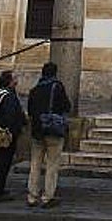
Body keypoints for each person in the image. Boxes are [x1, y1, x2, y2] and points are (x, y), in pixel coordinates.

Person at [26, 61, 72, 208]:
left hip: (37, 131)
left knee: (35, 163)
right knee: (52, 164)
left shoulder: (34, 90)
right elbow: (67, 106)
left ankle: (32, 195)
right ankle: (47, 196)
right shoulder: (57, 87)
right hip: (53, 130)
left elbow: (30, 111)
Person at [0, 70, 28, 203]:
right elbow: (11, 116)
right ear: (10, 81)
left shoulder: (0, 93)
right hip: (6, 135)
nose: (17, 80)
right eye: (15, 78)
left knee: (0, 163)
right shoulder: (8, 96)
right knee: (3, 164)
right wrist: (18, 127)